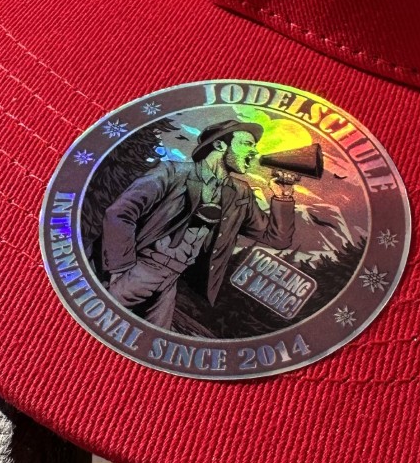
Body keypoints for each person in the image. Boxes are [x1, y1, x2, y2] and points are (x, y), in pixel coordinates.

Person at [100, 119, 297, 329]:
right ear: (220, 145)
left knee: (153, 339)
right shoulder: (172, 172)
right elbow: (120, 212)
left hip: (172, 282)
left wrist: (283, 197)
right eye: (247, 144)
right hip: (141, 268)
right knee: (102, 320)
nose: (254, 152)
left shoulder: (240, 192)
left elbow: (277, 239)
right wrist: (120, 267)